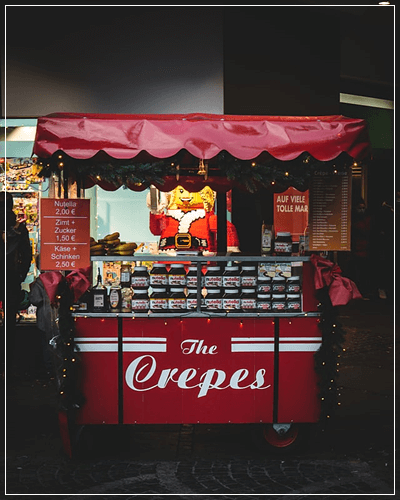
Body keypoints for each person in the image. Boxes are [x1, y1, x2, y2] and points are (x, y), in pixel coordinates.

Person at [1, 191, 32, 381]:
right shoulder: (19, 228)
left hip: (10, 279)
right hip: (11, 280)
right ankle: (8, 366)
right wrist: (20, 275)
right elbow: (27, 256)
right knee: (9, 325)